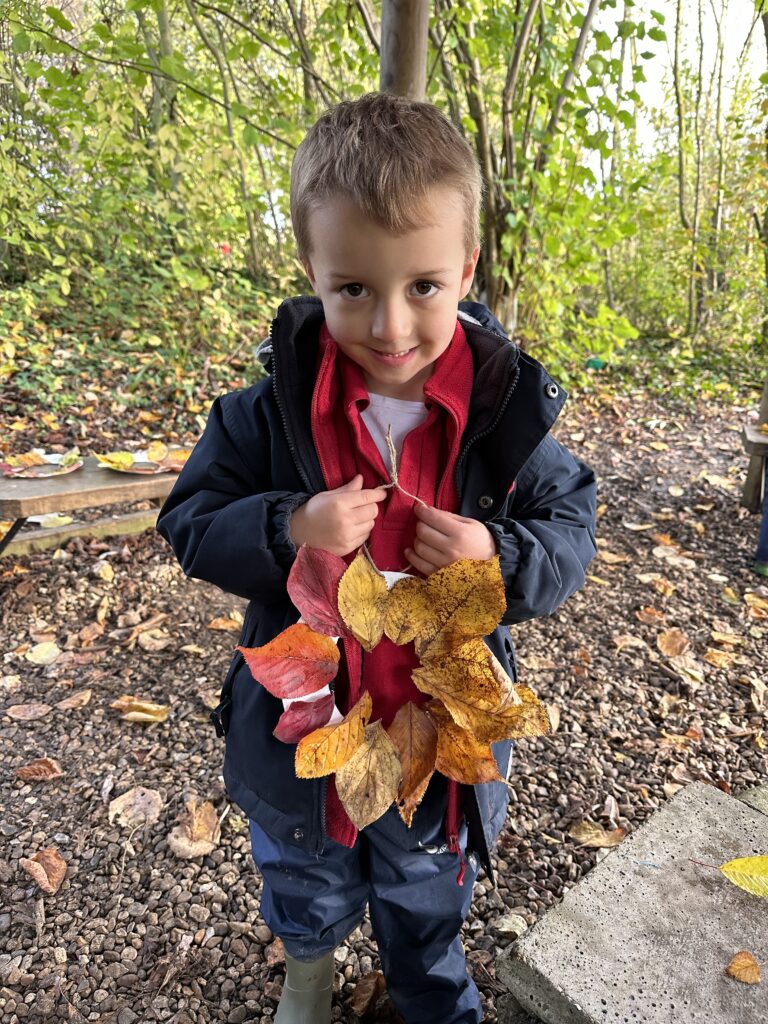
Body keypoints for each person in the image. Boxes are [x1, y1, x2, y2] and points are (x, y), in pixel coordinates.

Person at [157, 91, 597, 1024]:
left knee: (428, 891)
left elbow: (572, 522)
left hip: (438, 734)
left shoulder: (501, 412)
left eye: (424, 287)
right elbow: (190, 519)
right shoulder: (261, 413)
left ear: (466, 268)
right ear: (312, 273)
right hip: (307, 727)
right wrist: (290, 525)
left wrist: (498, 555)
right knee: (305, 873)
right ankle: (310, 975)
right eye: (354, 288)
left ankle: (429, 989)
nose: (392, 327)